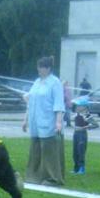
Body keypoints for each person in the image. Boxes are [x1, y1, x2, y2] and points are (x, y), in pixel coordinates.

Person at [23, 56, 65, 186]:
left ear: (48, 68)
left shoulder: (55, 82)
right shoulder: (36, 82)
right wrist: (25, 120)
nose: (39, 70)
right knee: (36, 150)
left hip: (49, 122)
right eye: (38, 67)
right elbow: (30, 102)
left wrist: (58, 122)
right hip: (36, 122)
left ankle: (52, 177)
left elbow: (59, 104)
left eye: (41, 67)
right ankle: (34, 175)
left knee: (49, 151)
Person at [72, 97, 99, 174]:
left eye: (78, 106)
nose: (76, 107)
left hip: (82, 135)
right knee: (75, 152)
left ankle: (82, 168)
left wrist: (87, 127)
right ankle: (76, 168)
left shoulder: (87, 116)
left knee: (81, 152)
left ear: (84, 107)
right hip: (76, 134)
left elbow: (96, 125)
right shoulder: (77, 114)